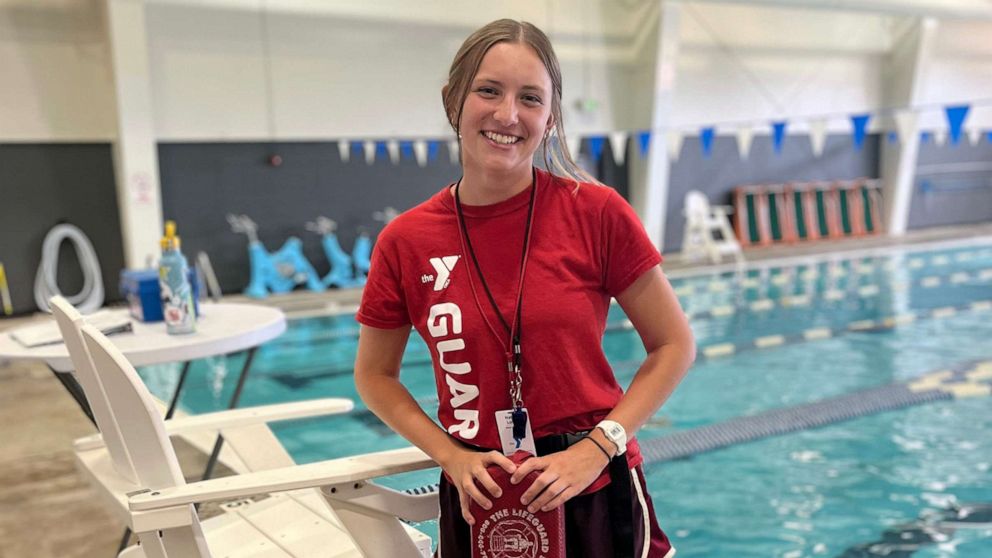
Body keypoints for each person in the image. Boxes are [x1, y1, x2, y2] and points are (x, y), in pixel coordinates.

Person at [354, 18, 695, 558]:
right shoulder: (406, 240)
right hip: (478, 493)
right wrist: (450, 456)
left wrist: (598, 447)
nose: (507, 114)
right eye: (488, 90)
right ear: (453, 101)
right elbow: (374, 376)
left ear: (550, 117)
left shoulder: (596, 212)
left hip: (593, 486)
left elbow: (674, 345)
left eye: (530, 98)